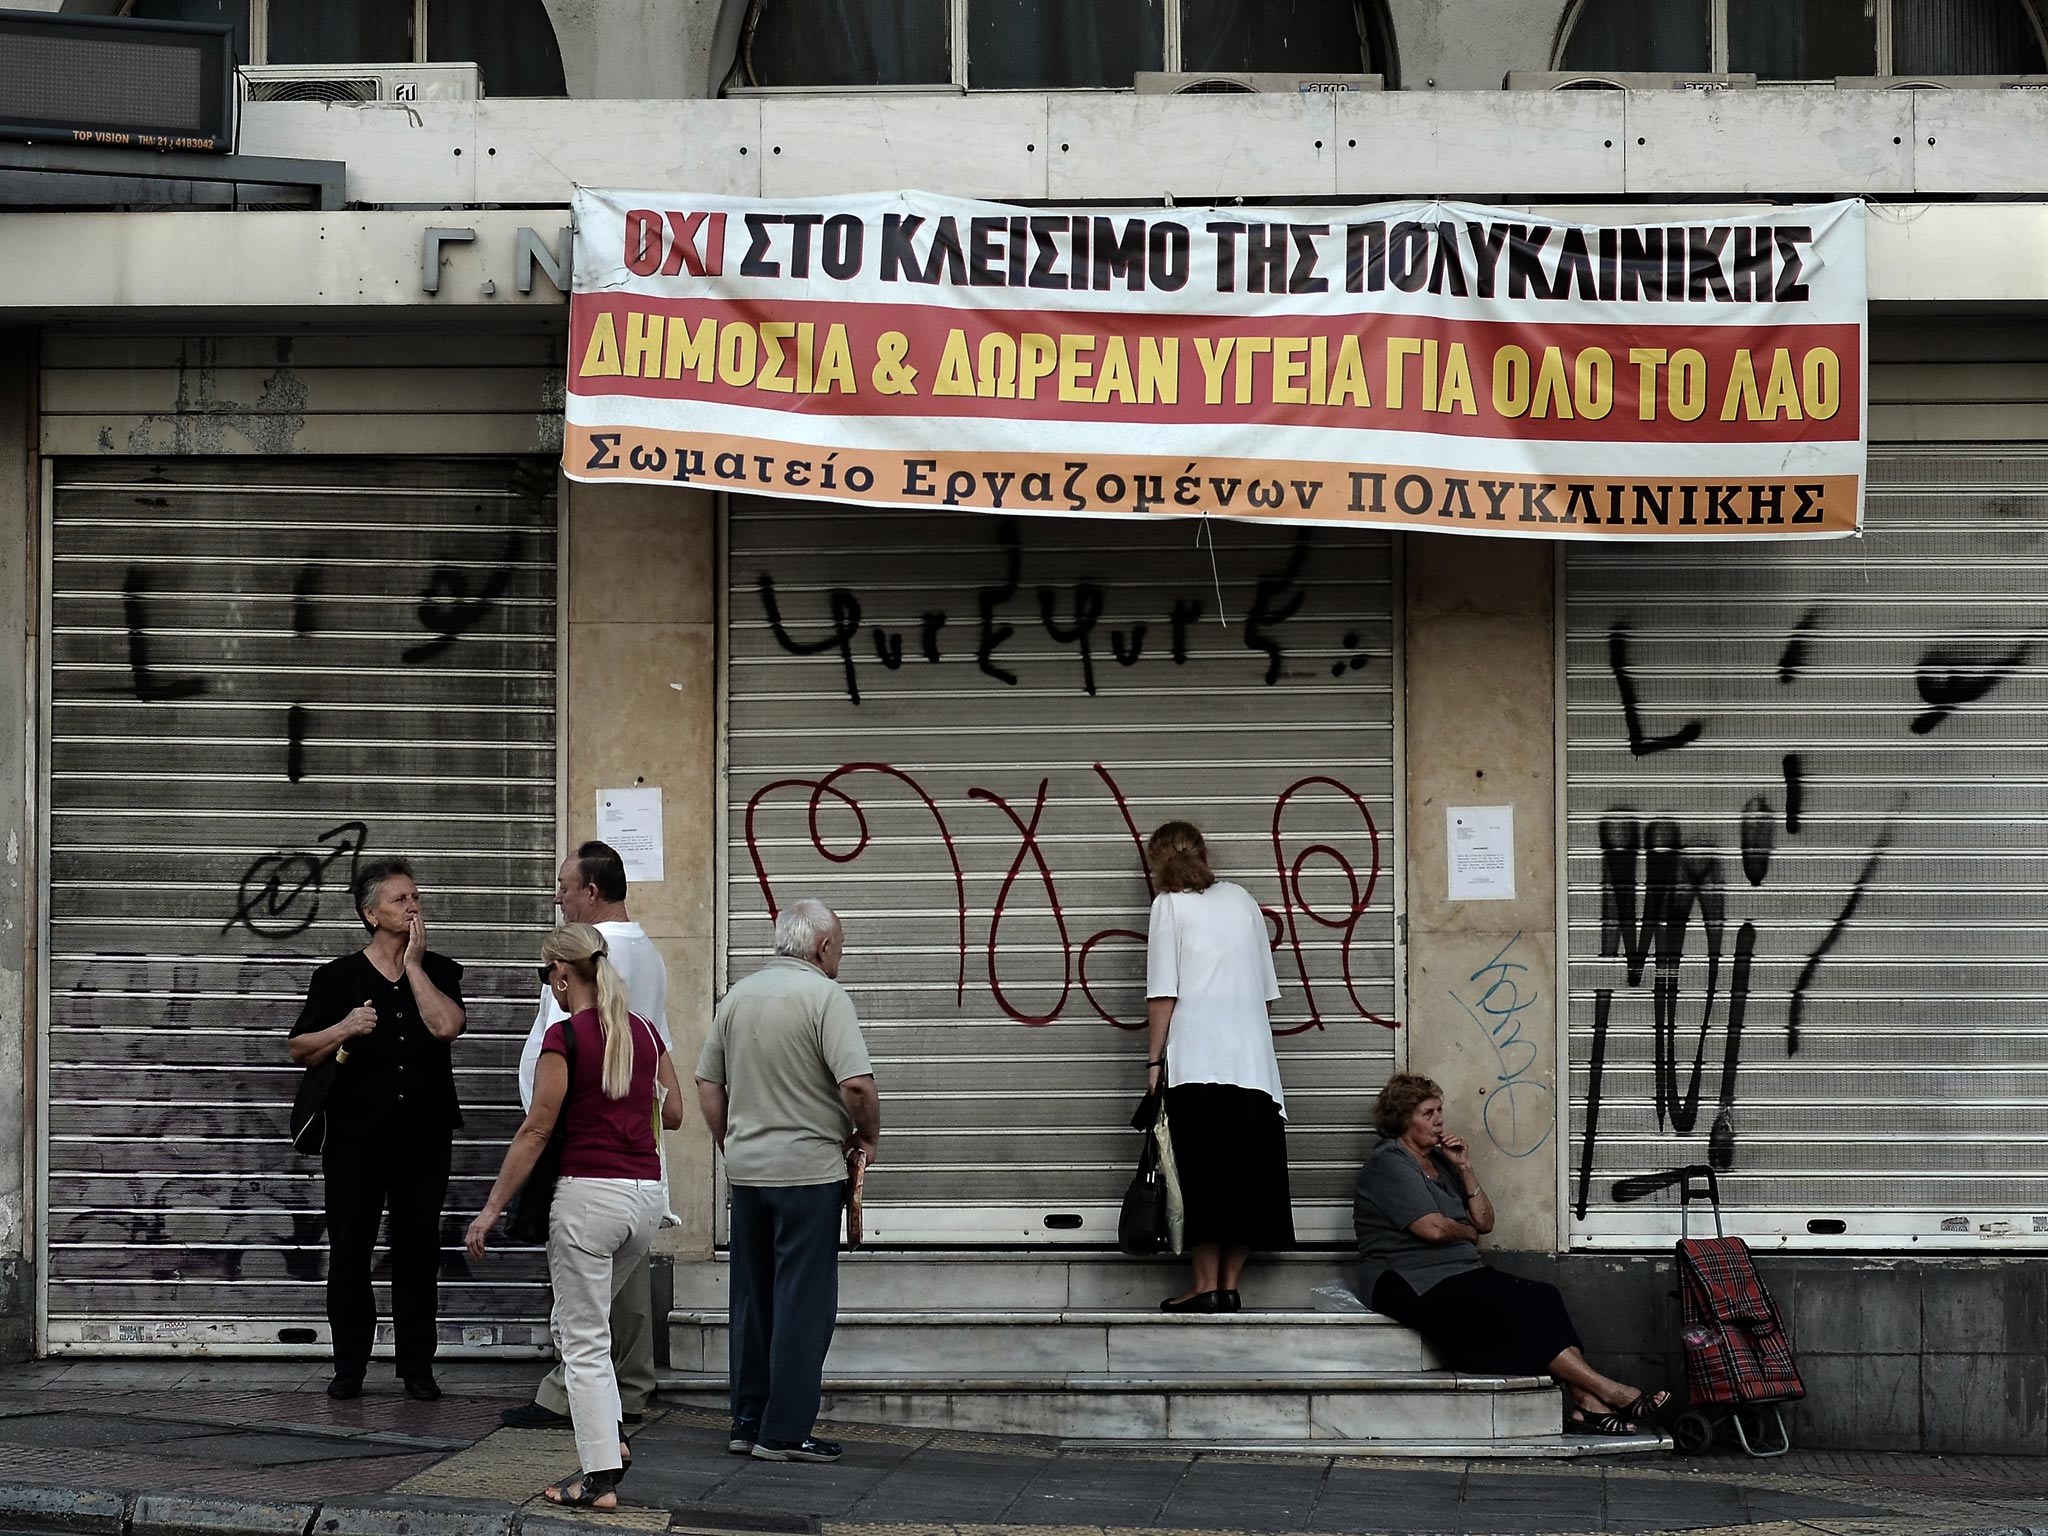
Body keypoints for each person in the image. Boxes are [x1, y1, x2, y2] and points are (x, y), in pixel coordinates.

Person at [465, 922, 685, 1510]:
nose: (550, 986)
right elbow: (678, 1110)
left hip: (589, 1201)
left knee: (583, 1342)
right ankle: (610, 1436)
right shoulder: (642, 1031)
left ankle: (599, 1479)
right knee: (578, 1323)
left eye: (547, 976)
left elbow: (536, 1128)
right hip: (643, 1200)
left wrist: (490, 1209)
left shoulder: (566, 1038)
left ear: (564, 974)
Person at [1354, 1073, 1673, 1435]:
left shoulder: (1440, 1163)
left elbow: (1485, 1221)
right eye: (1428, 1113)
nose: (1439, 1119)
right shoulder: (1390, 1162)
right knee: (1522, 1307)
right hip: (1406, 1279)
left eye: (1439, 1110)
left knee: (1544, 1296)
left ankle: (1586, 1404)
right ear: (1402, 1119)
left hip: (1455, 1272)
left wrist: (1464, 1167)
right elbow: (1433, 1229)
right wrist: (1465, 1231)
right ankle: (1606, 1392)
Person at [696, 898, 878, 1465]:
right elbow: (856, 1087)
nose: (840, 957)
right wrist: (866, 1136)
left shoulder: (737, 997)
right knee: (803, 1304)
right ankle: (785, 1431)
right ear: (823, 947)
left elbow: (707, 1083)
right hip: (808, 1175)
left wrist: (732, 1142)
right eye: (841, 946)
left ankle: (747, 1421)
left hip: (749, 1176)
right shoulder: (826, 997)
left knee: (753, 1298)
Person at [501, 841, 674, 1431]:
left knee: (589, 1282)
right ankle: (633, 1381)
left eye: (565, 886)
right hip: (633, 1149)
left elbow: (566, 1050)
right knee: (623, 1270)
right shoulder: (647, 952)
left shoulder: (591, 956)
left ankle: (580, 1403)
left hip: (584, 1146)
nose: (558, 897)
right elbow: (662, 1060)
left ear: (591, 893)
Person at [287, 858, 466, 1402]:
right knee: (350, 1249)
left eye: (416, 898)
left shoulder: (439, 969)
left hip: (424, 1134)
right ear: (370, 913)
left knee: (417, 1250)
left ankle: (417, 1366)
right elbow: (299, 1047)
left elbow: (447, 1027)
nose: (413, 906)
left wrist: (413, 967)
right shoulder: (337, 978)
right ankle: (349, 1368)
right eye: (399, 899)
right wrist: (346, 1025)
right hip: (355, 1136)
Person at [1142, 820, 1294, 1313]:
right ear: (1204, 854)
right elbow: (1267, 994)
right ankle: (1229, 1285)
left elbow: (1164, 991)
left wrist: (1154, 1060)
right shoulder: (1243, 901)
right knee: (1249, 1176)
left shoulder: (1168, 906)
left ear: (1156, 861)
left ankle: (1204, 1286)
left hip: (1198, 1062)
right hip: (1253, 1066)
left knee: (1202, 1176)